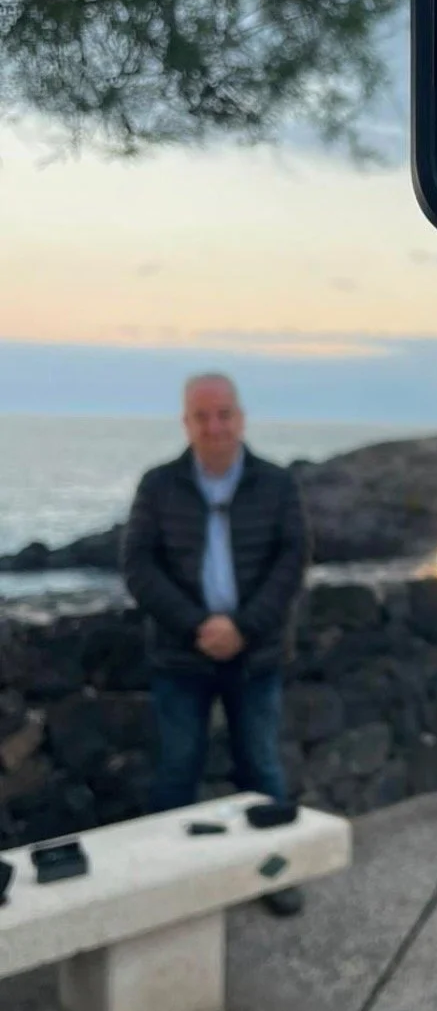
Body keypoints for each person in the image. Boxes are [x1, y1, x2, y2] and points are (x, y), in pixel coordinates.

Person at [122, 374, 310, 916]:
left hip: (258, 656)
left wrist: (243, 627)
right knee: (177, 770)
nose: (214, 426)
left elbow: (291, 560)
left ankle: (276, 875)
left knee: (262, 770)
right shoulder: (158, 485)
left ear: (241, 418)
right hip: (181, 657)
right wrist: (197, 625)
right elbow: (138, 564)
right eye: (202, 416)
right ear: (187, 423)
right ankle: (167, 885)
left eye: (223, 414)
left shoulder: (276, 484)